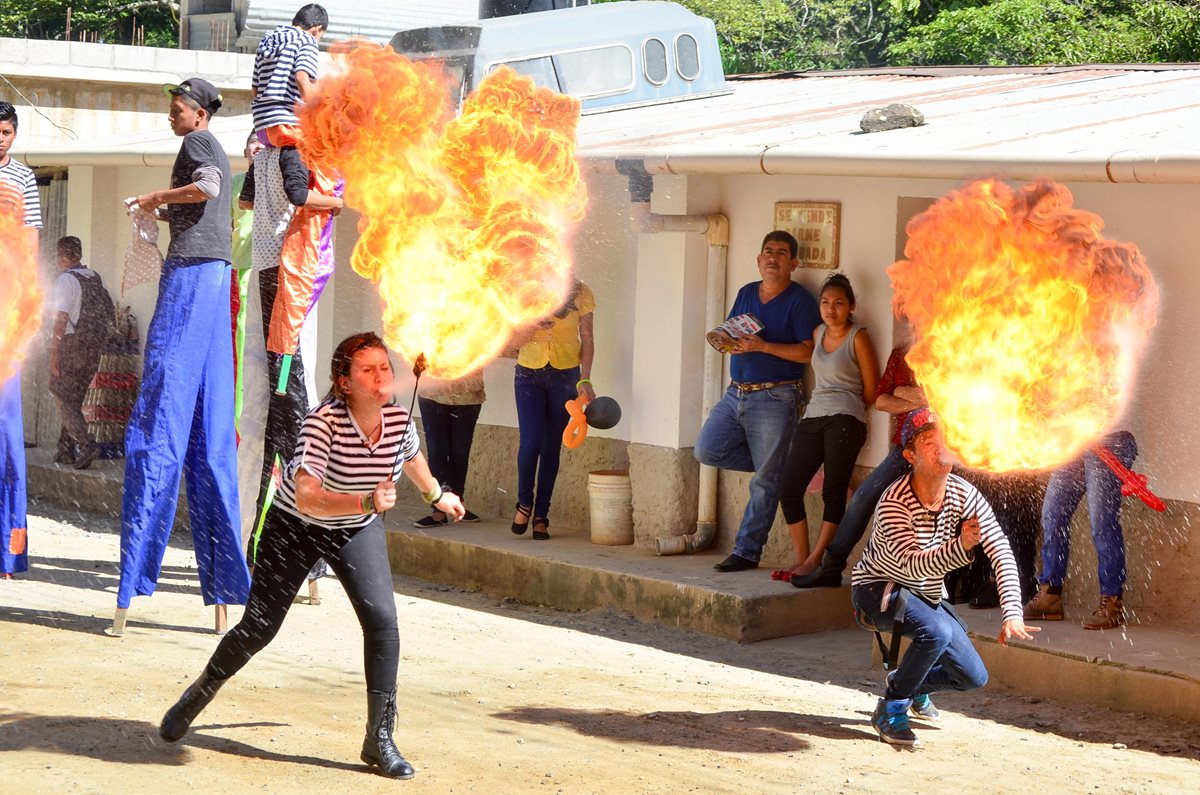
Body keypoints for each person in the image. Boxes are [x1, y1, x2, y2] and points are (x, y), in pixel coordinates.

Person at [158, 332, 465, 780]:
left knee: (382, 621)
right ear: (344, 382)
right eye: (367, 370)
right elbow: (306, 497)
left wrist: (437, 495)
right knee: (258, 630)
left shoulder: (399, 419)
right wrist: (365, 501)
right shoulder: (323, 423)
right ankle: (199, 692)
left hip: (354, 529)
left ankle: (378, 738)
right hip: (296, 528)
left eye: (384, 368)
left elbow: (411, 457)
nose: (380, 376)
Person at [114, 78, 250, 634]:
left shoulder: (198, 148)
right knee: (212, 432)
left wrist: (154, 199)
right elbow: (208, 206)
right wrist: (161, 217)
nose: (172, 119)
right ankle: (223, 598)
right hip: (217, 279)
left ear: (199, 114)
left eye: (177, 111)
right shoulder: (210, 144)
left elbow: (211, 189)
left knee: (158, 421)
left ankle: (129, 590)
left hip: (193, 279)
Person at [851, 408, 1038, 746]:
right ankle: (891, 708)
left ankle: (908, 683)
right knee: (935, 631)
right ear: (910, 455)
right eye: (928, 443)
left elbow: (999, 547)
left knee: (972, 676)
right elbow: (913, 567)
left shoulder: (963, 492)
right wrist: (962, 546)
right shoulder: (894, 502)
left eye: (946, 441)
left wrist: (1012, 609)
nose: (941, 450)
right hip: (878, 590)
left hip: (924, 592)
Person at [696, 231, 820, 572]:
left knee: (765, 481)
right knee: (707, 450)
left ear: (793, 263)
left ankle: (746, 552)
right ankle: (777, 466)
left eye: (781, 253)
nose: (773, 258)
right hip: (736, 391)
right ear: (758, 259)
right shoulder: (747, 292)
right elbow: (734, 331)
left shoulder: (800, 300)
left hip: (776, 395)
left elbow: (809, 352)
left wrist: (762, 347)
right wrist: (726, 341)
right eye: (767, 252)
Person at [792, 330, 926, 589]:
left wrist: (903, 393)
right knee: (864, 497)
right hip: (904, 447)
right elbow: (881, 400)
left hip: (941, 449)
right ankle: (831, 568)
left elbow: (943, 401)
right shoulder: (900, 353)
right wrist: (913, 397)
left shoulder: (950, 349)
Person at [775, 273, 879, 580]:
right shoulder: (818, 332)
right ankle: (802, 557)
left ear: (851, 306)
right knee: (789, 488)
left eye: (838, 303)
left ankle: (818, 560)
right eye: (825, 302)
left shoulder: (858, 336)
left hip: (845, 419)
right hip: (814, 416)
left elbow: (872, 387)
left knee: (834, 492)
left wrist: (852, 411)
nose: (830, 309)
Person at [1023, 430, 1137, 630]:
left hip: (1111, 441)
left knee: (1102, 522)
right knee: (1053, 514)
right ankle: (1050, 596)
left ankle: (1112, 602)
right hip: (1076, 438)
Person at [509, 279, 595, 540]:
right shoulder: (524, 289)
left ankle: (541, 515)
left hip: (565, 376)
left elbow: (588, 340)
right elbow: (513, 341)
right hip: (528, 374)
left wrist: (585, 379)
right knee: (530, 443)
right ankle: (524, 503)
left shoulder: (581, 292)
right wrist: (532, 325)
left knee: (551, 447)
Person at [0, 100, 42, 580]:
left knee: (8, 438)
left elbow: (31, 242)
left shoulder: (24, 179)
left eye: (7, 131)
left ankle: (9, 553)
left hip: (9, 314)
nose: (1, 138)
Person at [48, 236, 114, 471]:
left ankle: (86, 445)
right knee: (73, 399)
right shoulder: (95, 277)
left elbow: (61, 319)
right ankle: (64, 449)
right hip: (92, 348)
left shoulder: (66, 280)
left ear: (60, 256)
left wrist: (54, 355)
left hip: (71, 346)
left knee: (61, 396)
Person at [415, 370, 485, 526]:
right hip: (432, 392)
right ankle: (438, 510)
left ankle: (457, 504)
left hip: (468, 394)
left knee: (460, 452)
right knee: (436, 450)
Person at [251, 4, 326, 147]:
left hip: (261, 128)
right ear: (317, 29)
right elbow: (301, 78)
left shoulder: (267, 39)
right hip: (287, 126)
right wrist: (315, 112)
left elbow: (255, 90)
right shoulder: (307, 40)